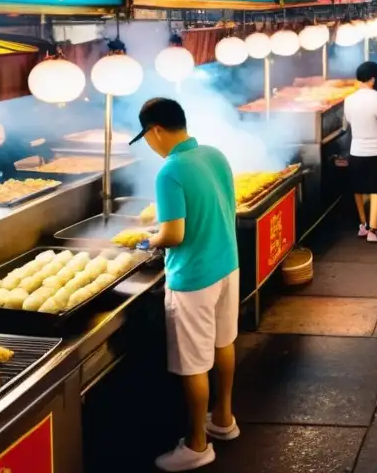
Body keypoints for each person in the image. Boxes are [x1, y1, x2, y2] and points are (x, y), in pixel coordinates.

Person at [132, 98, 240, 472]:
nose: (149, 144)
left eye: (146, 137)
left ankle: (197, 445)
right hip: (227, 264)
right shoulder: (213, 154)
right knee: (223, 343)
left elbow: (174, 234)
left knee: (194, 363)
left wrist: (147, 240)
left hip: (193, 277)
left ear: (155, 130)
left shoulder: (170, 171)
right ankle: (223, 421)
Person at [344, 62, 377, 243]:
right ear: (373, 78)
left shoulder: (349, 99)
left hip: (356, 149)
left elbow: (348, 122)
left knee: (358, 188)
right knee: (376, 189)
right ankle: (373, 229)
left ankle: (362, 225)